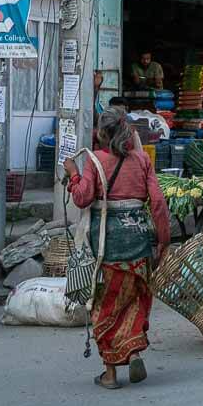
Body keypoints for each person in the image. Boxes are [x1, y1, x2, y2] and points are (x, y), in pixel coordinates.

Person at [64, 107, 171, 389]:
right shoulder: (142, 159)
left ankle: (110, 374)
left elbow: (82, 198)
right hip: (140, 243)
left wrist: (73, 175)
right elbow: (158, 203)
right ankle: (133, 351)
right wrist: (163, 240)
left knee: (106, 304)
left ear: (102, 132)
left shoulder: (96, 160)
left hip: (107, 246)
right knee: (135, 299)